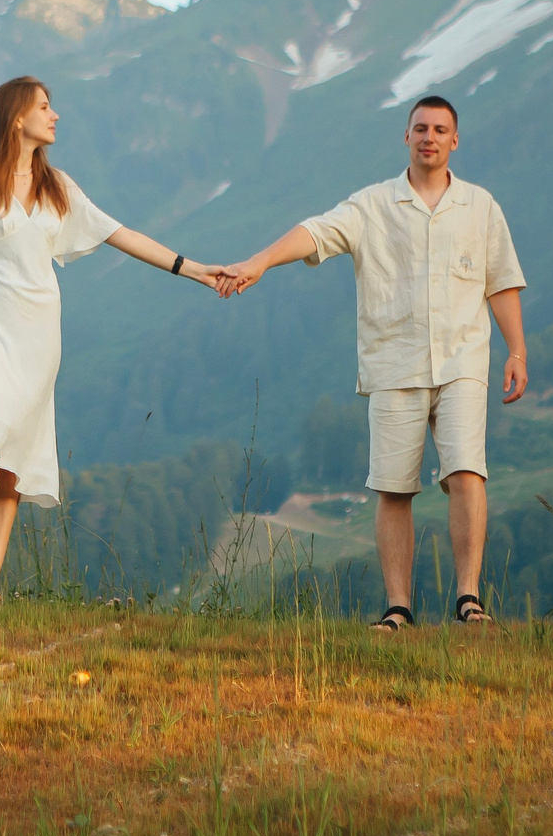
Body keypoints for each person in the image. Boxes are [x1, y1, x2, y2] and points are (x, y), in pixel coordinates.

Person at [213, 95, 526, 630]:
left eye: (440, 130)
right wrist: (261, 260)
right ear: (406, 137)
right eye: (420, 128)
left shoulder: (481, 207)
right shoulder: (372, 205)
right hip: (393, 364)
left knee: (468, 471)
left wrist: (517, 349)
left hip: (463, 361)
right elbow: (315, 232)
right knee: (394, 486)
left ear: (455, 141)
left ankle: (469, 600)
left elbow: (500, 282)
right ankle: (398, 607)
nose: (430, 137)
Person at [0, 75, 224, 603]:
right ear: (16, 118)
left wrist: (195, 270)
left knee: (16, 454)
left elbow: (124, 236)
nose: (55, 117)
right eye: (45, 107)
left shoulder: (60, 188)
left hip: (37, 334)